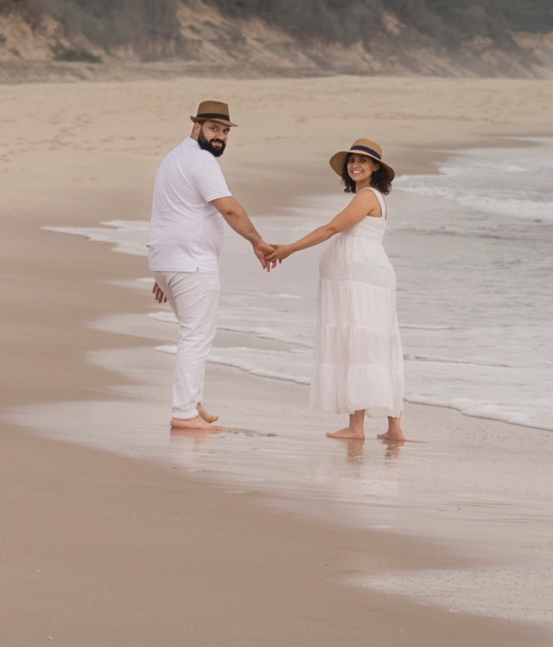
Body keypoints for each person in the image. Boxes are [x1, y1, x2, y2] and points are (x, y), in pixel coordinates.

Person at [264, 137, 408, 445]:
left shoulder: (367, 195)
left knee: (358, 344)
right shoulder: (372, 197)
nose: (355, 165)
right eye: (351, 160)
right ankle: (394, 428)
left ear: (375, 169)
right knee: (374, 346)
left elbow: (332, 228)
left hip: (360, 280)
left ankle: (357, 427)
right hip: (363, 277)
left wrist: (290, 248)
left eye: (363, 161)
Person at [146, 99, 275, 433]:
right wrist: (257, 242)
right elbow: (229, 209)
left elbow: (170, 212)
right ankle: (184, 411)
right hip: (191, 263)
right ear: (196, 127)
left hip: (170, 261)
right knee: (196, 336)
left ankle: (193, 400)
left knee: (194, 332)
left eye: (225, 131)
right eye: (214, 129)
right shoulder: (201, 161)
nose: (220, 136)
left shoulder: (174, 158)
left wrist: (164, 270)